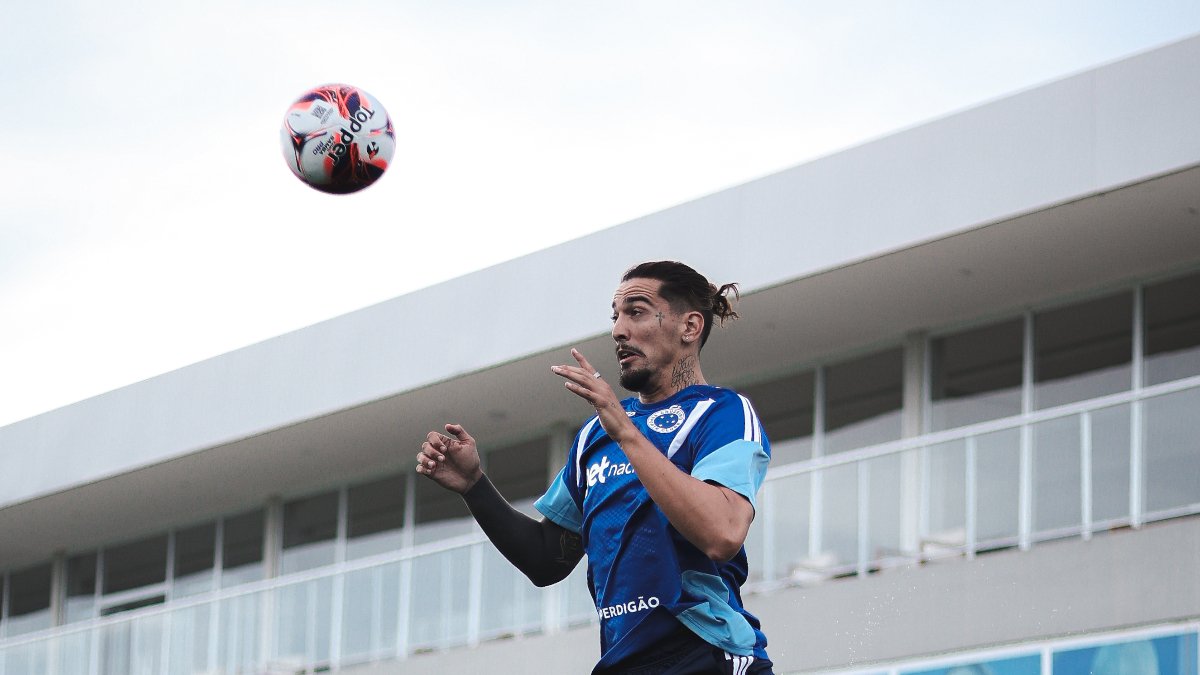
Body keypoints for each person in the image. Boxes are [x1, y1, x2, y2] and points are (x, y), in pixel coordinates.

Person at [416, 260, 774, 674]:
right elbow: (547, 559)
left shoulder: (723, 413)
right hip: (622, 663)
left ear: (689, 327)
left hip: (708, 657)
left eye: (636, 312)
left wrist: (625, 432)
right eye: (615, 316)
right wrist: (474, 485)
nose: (618, 330)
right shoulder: (595, 435)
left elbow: (722, 532)